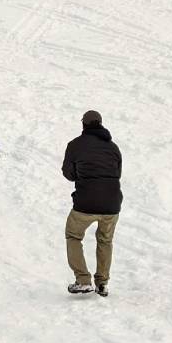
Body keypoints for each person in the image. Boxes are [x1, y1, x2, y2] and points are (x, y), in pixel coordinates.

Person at [62, 110, 123, 297]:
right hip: (112, 203)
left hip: (86, 202)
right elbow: (117, 173)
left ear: (83, 125)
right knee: (105, 240)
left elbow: (68, 174)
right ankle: (102, 283)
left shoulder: (75, 145)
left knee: (73, 235)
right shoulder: (113, 147)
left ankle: (83, 280)